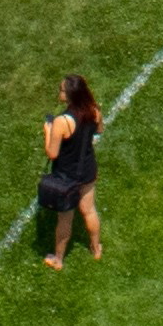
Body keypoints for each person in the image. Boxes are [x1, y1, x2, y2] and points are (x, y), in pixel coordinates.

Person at [34, 74, 105, 271]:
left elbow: (52, 153)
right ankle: (96, 248)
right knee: (89, 210)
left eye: (62, 90)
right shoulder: (94, 110)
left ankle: (58, 259)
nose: (60, 92)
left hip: (67, 175)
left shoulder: (62, 122)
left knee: (65, 219)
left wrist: (47, 131)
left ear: (71, 95)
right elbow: (99, 130)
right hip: (88, 169)